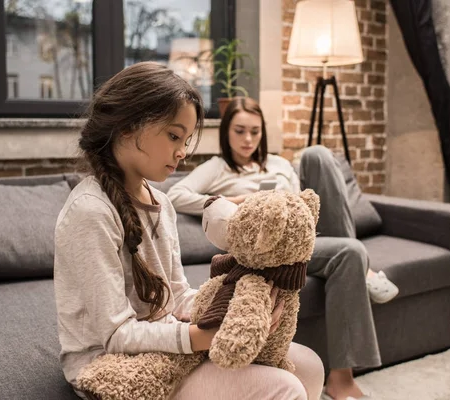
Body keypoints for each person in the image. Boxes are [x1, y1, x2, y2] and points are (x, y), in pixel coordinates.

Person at [53, 62, 325, 400]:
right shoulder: (91, 212)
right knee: (285, 387)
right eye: (173, 135)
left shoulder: (162, 204)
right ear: (126, 128)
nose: (182, 151)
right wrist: (205, 337)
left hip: (168, 342)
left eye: (186, 139)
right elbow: (116, 334)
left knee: (311, 367)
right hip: (110, 365)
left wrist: (230, 308)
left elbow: (177, 297)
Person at [167, 97, 399, 400]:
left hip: (301, 236)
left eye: (255, 131)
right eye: (239, 131)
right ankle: (341, 380)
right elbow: (175, 195)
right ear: (226, 133)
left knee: (317, 155)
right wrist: (235, 202)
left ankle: (361, 267)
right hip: (266, 252)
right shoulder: (217, 168)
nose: (248, 139)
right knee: (350, 254)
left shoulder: (279, 164)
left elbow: (305, 203)